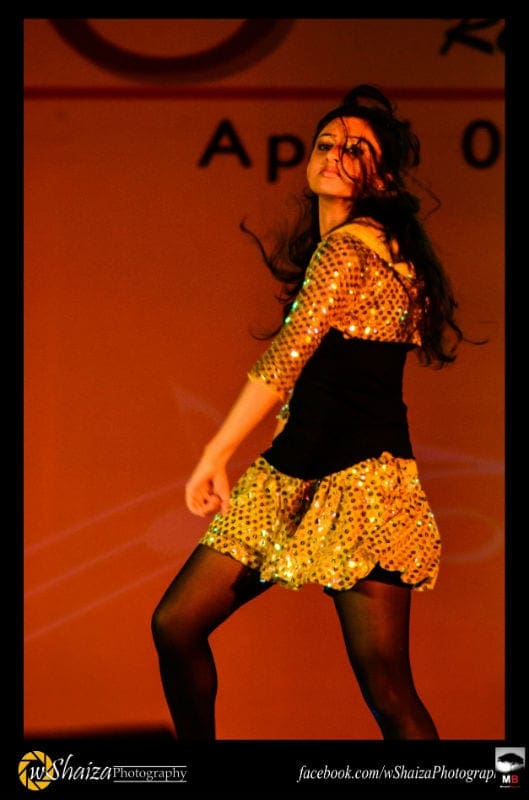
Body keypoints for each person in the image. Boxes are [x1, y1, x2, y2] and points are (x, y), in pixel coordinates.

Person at [152, 84, 463, 741]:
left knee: (387, 685)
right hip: (291, 475)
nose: (334, 156)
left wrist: (214, 453)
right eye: (326, 144)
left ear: (381, 176)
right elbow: (327, 367)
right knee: (177, 624)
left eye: (356, 150)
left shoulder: (349, 247)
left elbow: (284, 359)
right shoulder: (378, 246)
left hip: (360, 485)